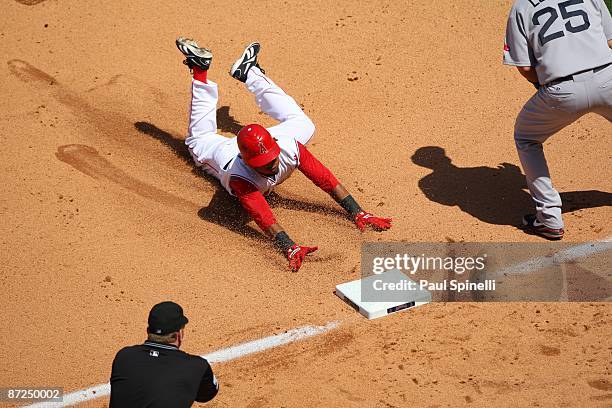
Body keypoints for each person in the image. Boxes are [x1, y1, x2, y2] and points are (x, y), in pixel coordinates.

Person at [175, 38, 392, 271]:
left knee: (303, 123)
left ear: (275, 145)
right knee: (197, 140)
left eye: (271, 158)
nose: (271, 166)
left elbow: (326, 180)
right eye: (263, 164)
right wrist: (288, 245)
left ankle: (250, 73)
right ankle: (200, 71)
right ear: (248, 162)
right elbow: (264, 217)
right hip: (222, 154)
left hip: (259, 143)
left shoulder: (288, 145)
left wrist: (357, 211)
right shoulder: (241, 178)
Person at [503, 0, 612, 240]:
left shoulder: (522, 8)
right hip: (608, 78)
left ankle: (549, 219)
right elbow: (610, 40)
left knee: (526, 137)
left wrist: (548, 88)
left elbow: (524, 67)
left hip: (561, 92)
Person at [110, 302, 218, 407]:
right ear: (178, 335)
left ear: (148, 331)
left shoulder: (124, 356)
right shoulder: (197, 366)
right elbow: (205, 395)